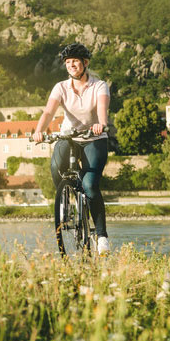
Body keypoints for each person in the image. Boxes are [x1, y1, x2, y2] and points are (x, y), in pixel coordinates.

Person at [32, 43, 112, 255]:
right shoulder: (61, 87)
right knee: (56, 164)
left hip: (94, 137)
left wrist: (101, 123)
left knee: (89, 184)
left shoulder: (99, 85)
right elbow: (49, 111)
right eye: (68, 62)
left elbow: (102, 109)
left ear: (85, 63)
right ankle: (65, 200)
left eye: (75, 61)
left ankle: (102, 235)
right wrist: (39, 130)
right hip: (69, 135)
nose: (71, 65)